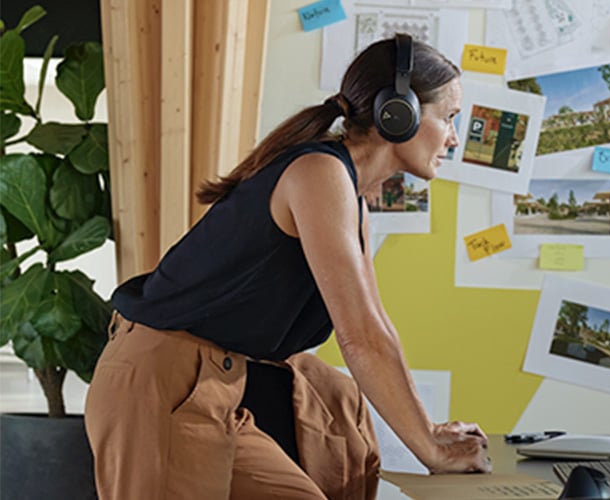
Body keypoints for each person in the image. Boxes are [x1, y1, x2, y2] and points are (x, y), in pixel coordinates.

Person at [84, 34, 490, 500]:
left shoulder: (352, 201)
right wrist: (431, 451)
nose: (455, 139)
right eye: (450, 118)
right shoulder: (319, 174)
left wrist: (431, 431)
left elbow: (376, 327)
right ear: (397, 113)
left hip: (214, 385)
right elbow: (360, 339)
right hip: (161, 387)